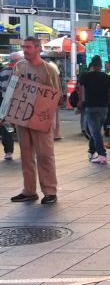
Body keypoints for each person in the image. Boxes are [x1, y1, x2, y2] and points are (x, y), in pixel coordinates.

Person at [6, 36, 60, 204]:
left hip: (41, 119)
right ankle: (29, 190)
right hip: (22, 117)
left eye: (28, 47)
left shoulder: (48, 70)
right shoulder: (19, 66)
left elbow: (55, 96)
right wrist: (4, 113)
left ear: (38, 48)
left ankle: (50, 191)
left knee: (45, 155)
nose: (25, 50)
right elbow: (11, 90)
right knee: (26, 155)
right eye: (24, 47)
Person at [78, 55, 110, 164]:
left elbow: (80, 88)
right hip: (103, 107)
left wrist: (80, 100)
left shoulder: (85, 76)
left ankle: (102, 154)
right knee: (96, 130)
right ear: (100, 65)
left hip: (91, 106)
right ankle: (91, 151)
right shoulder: (106, 76)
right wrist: (107, 101)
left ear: (92, 64)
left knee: (94, 131)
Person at [0, 62, 15, 160]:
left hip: (5, 101)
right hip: (16, 102)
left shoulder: (4, 72)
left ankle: (9, 151)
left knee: (6, 127)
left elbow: (4, 90)